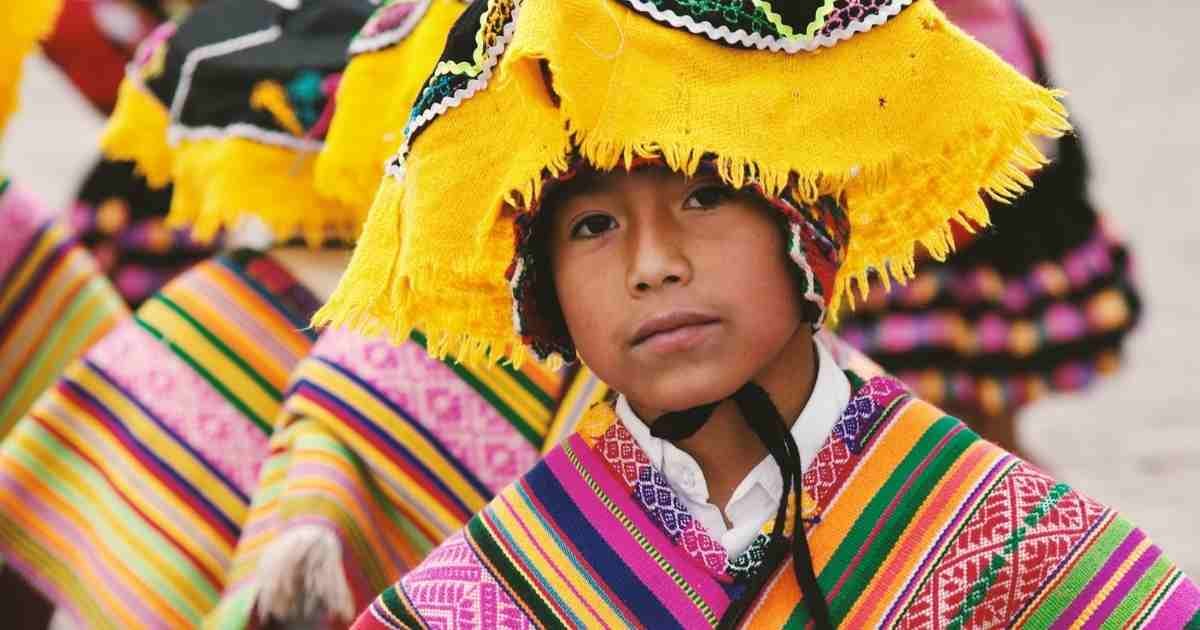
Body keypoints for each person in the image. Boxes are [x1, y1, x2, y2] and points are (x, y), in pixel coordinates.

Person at [312, 0, 1200, 627]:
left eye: (705, 196)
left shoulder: (1014, 545)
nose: (653, 265)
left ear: (808, 222)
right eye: (591, 225)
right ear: (540, 292)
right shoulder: (488, 595)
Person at [835, 0, 1140, 456]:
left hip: (967, 237)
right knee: (967, 438)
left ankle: (1032, 519)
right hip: (950, 231)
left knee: (961, 441)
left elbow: (1012, 136)